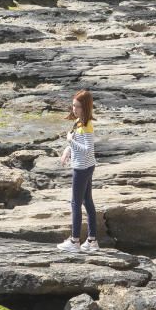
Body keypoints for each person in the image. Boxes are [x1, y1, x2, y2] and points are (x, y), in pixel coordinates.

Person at [57, 90, 99, 253]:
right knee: (87, 202)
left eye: (78, 106)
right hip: (87, 166)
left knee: (75, 203)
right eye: (73, 105)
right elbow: (76, 142)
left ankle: (75, 241)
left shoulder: (87, 126)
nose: (74, 109)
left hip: (82, 168)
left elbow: (87, 149)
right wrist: (67, 150)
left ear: (86, 107)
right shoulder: (80, 123)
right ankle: (92, 241)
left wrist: (69, 141)